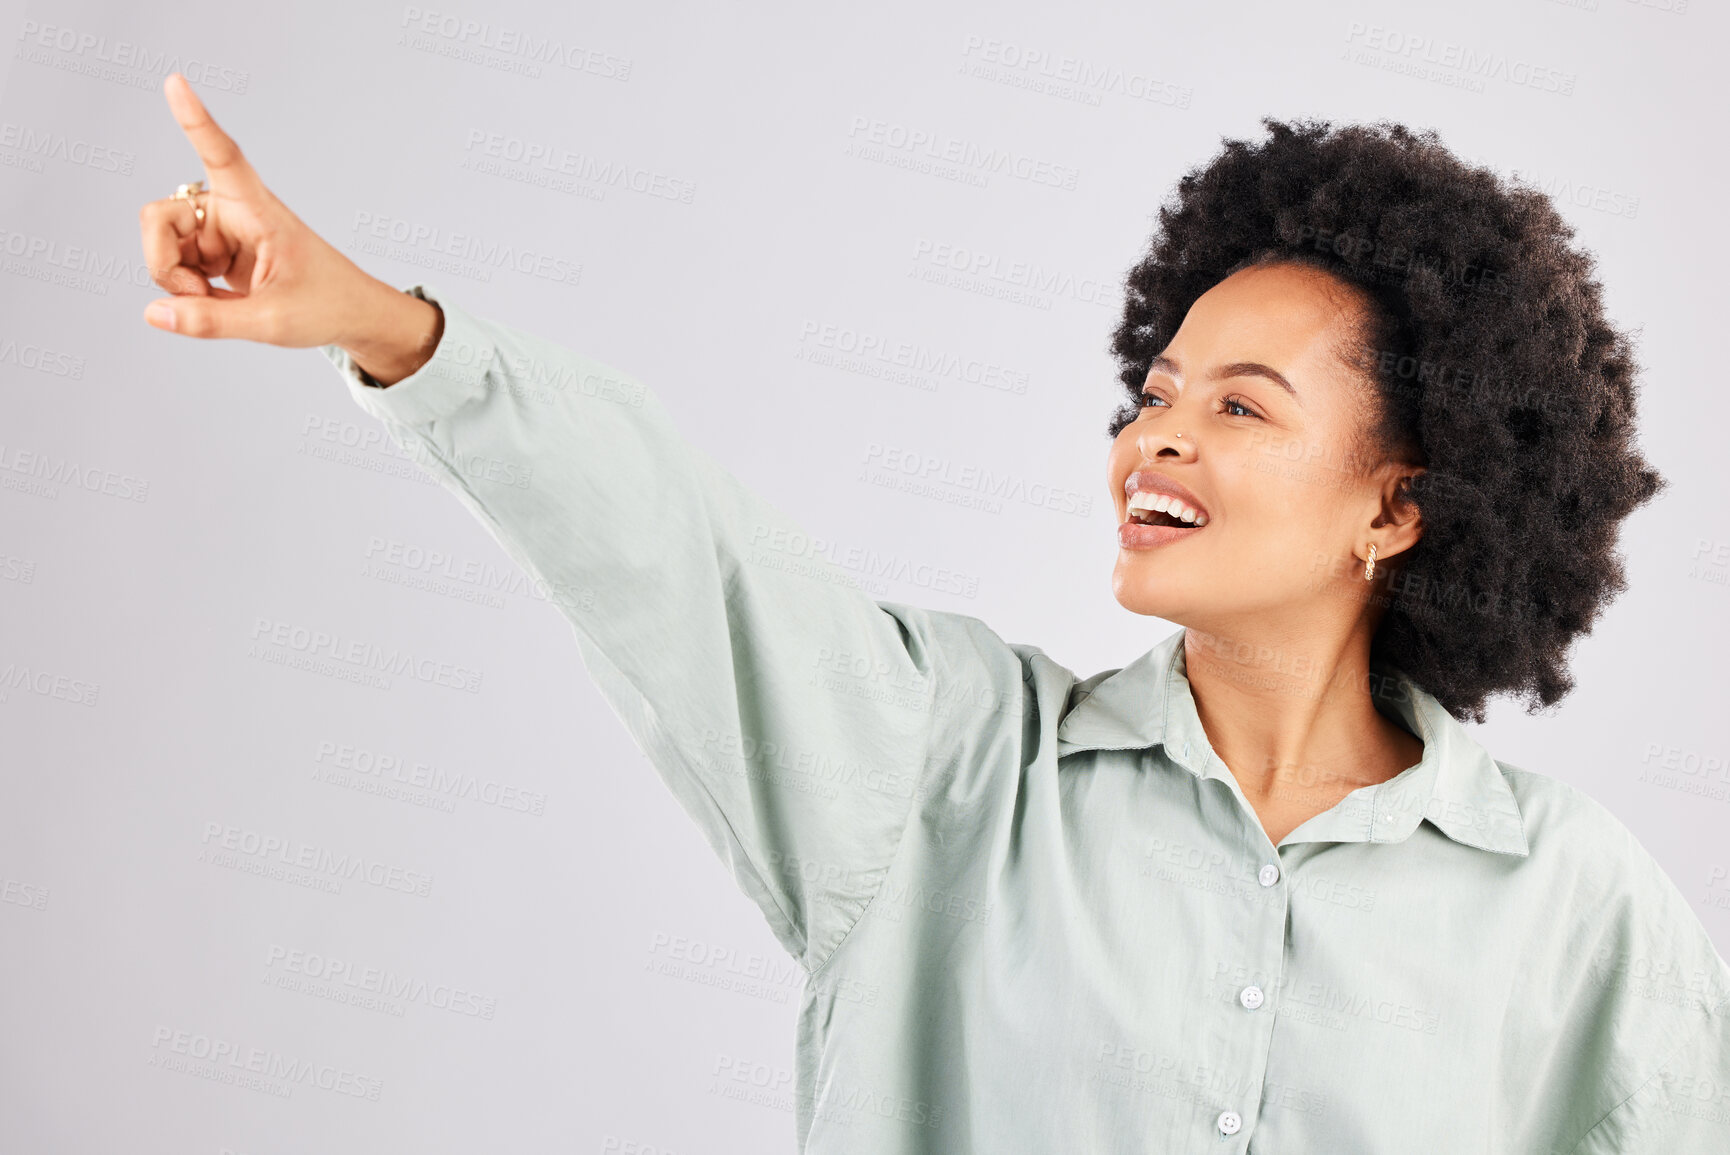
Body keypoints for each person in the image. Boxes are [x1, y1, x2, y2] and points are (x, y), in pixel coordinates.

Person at [139, 72, 1729, 1153]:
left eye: (1239, 409)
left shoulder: (1574, 912)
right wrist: (388, 330)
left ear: (1393, 507)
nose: (1153, 438)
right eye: (1153, 391)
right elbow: (678, 559)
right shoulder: (945, 769)